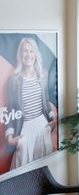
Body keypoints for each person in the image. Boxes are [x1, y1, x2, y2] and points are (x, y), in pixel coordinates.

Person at [5, 37, 55, 169]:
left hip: (42, 127)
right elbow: (10, 110)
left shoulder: (42, 75)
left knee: (44, 171)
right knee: (21, 172)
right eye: (25, 51)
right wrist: (10, 136)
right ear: (20, 55)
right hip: (24, 129)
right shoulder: (14, 80)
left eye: (31, 51)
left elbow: (46, 102)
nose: (29, 55)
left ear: (36, 54)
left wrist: (52, 121)